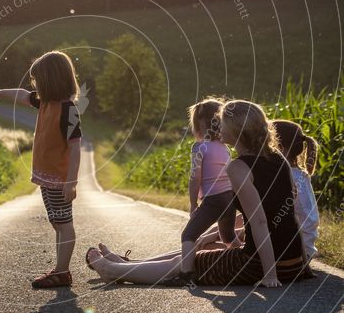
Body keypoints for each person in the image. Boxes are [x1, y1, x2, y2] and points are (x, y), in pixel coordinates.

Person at [87, 100, 306, 288]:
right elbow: (282, 209)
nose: (217, 124)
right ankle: (126, 264)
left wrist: (269, 275)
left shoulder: (238, 167)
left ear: (235, 130)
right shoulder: (278, 158)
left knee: (185, 263)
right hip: (294, 262)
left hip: (261, 265)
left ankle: (113, 271)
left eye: (222, 121)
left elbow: (259, 222)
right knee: (203, 246)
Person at [0, 50, 82, 288]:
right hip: (47, 178)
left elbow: (76, 147)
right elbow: (22, 95)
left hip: (59, 178)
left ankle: (62, 271)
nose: (34, 84)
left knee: (64, 223)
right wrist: (0, 92)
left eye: (38, 80)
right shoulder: (44, 102)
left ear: (51, 80)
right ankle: (60, 269)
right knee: (57, 222)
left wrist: (71, 181)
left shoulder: (68, 110)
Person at [179, 98, 240, 282]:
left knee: (188, 235)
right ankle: (247, 259)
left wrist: (192, 204)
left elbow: (194, 178)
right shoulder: (225, 147)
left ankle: (185, 275)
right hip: (230, 197)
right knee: (227, 235)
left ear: (200, 125)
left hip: (214, 199)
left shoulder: (199, 146)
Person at [273, 119, 320, 262]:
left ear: (278, 147)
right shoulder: (301, 174)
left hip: (292, 250)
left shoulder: (284, 176)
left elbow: (266, 217)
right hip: (306, 247)